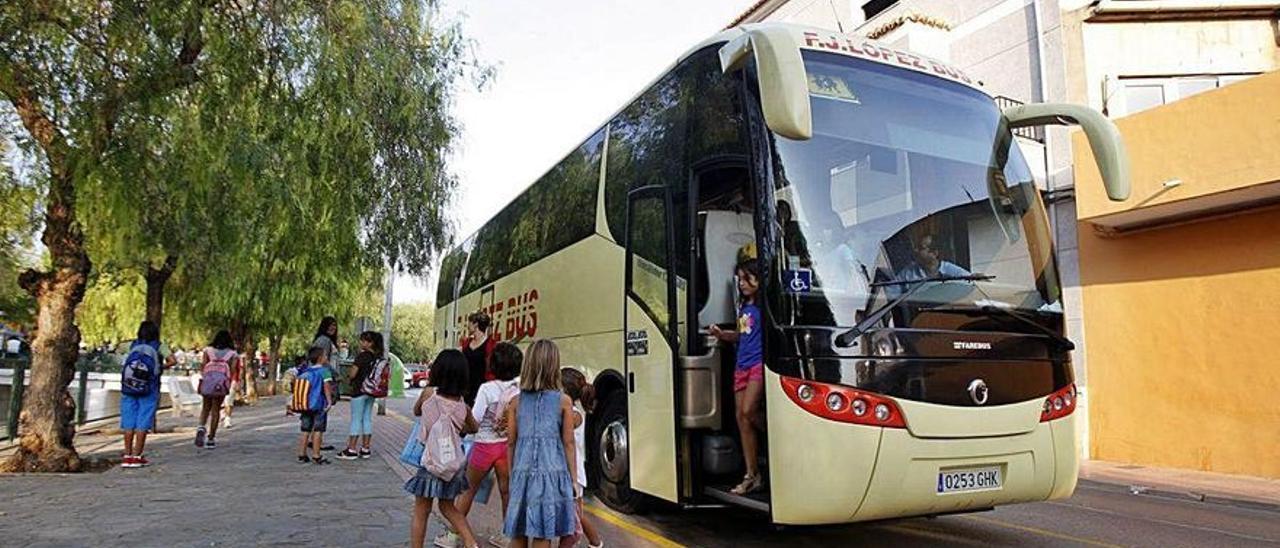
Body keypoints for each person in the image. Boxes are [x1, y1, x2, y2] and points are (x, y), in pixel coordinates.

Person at [502, 340, 578, 548]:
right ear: (555, 366)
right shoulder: (564, 401)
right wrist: (573, 480)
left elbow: (511, 443)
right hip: (552, 474)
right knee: (543, 533)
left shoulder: (516, 402)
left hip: (521, 474)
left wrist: (512, 474)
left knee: (518, 532)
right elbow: (569, 443)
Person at [406, 349, 481, 548]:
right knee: (448, 506)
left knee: (421, 510)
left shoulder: (429, 393)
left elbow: (416, 410)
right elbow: (473, 428)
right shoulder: (462, 405)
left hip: (430, 462)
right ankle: (471, 542)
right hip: (452, 464)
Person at [453, 342, 522, 547]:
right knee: (506, 491)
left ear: (493, 365)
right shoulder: (519, 388)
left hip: (484, 445)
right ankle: (507, 534)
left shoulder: (486, 388)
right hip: (506, 446)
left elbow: (475, 417)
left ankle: (454, 534)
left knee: (468, 490)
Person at [709, 258, 768, 495]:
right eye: (740, 279)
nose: (742, 284)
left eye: (747, 278)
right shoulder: (745, 308)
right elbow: (742, 337)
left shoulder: (767, 307)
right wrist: (722, 334)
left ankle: (778, 439)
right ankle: (752, 474)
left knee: (748, 411)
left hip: (757, 365)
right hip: (741, 366)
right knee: (742, 420)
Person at [119, 320, 174, 468]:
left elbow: (119, 350)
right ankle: (137, 456)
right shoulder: (159, 346)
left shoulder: (133, 345)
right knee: (143, 421)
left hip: (129, 386)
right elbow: (172, 360)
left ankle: (127, 455)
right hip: (149, 387)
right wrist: (159, 366)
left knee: (128, 422)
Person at [559, 368, 603, 548]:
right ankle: (595, 542)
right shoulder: (573, 411)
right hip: (570, 472)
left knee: (574, 520)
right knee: (576, 515)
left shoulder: (573, 415)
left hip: (573, 474)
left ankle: (596, 543)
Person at [337, 331, 383, 460]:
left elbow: (352, 374)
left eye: (363, 341)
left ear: (370, 343)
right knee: (367, 418)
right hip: (371, 391)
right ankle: (365, 448)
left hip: (359, 391)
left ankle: (351, 449)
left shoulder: (362, 356)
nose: (361, 343)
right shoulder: (378, 357)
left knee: (356, 419)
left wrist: (346, 377)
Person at [290, 346, 335, 464]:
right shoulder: (325, 371)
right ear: (320, 358)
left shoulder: (305, 371)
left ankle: (302, 454)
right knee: (318, 430)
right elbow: (326, 387)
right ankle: (316, 455)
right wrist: (329, 402)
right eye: (325, 355)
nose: (326, 357)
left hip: (305, 405)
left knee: (305, 430)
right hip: (319, 405)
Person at [196, 330, 239, 449]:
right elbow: (232, 370)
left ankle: (201, 427)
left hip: (208, 382)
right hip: (220, 385)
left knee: (205, 408)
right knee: (216, 409)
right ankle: (211, 439)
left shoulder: (208, 351)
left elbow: (203, 366)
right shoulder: (232, 354)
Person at [313, 316, 341, 450]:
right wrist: (335, 374)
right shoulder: (324, 341)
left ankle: (315, 439)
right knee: (322, 408)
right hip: (323, 378)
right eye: (330, 325)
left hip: (321, 376)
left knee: (319, 408)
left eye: (334, 326)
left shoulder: (324, 340)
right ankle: (317, 442)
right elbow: (324, 361)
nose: (333, 328)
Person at [460, 310, 497, 407]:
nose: (467, 326)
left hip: (481, 390)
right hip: (464, 390)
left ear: (476, 324)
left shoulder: (491, 345)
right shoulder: (466, 343)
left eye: (469, 323)